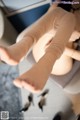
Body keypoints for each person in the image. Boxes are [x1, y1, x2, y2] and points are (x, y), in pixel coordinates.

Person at [0, 0, 80, 93]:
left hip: (59, 66)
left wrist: (66, 50)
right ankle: (25, 45)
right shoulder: (65, 4)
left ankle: (27, 45)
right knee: (59, 14)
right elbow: (51, 13)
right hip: (41, 51)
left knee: (68, 18)